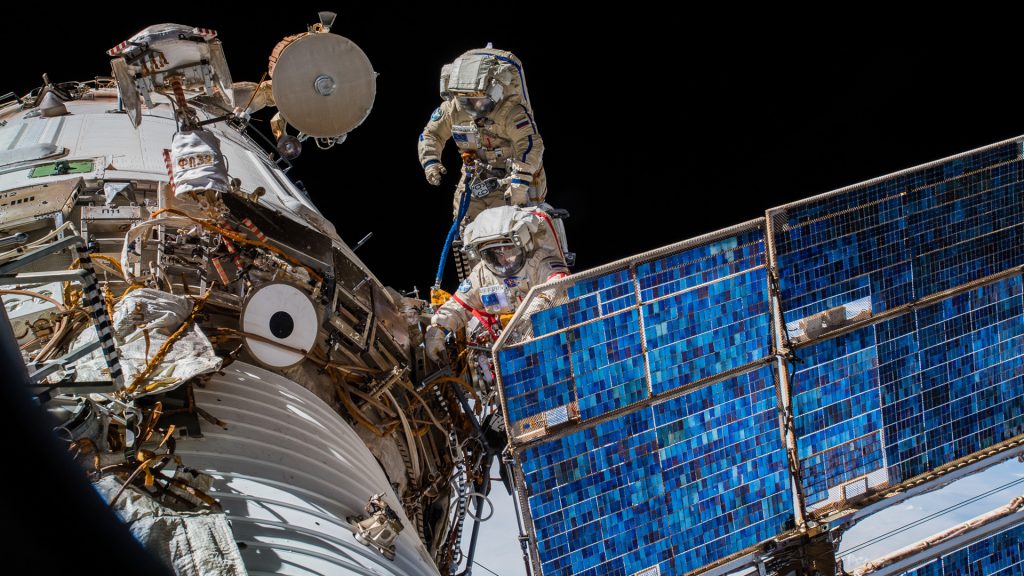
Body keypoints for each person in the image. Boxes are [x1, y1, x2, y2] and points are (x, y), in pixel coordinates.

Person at [418, 48, 546, 223]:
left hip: (513, 178)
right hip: (476, 177)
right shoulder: (452, 110)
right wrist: (430, 162)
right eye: (467, 101)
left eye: (480, 99)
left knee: (514, 229)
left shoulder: (511, 111)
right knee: (466, 228)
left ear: (494, 92)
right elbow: (431, 134)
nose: (474, 106)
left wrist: (520, 181)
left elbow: (530, 144)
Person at [425, 206, 567, 364]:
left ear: (523, 245)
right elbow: (458, 305)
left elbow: (559, 284)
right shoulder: (483, 275)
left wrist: (533, 312)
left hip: (550, 336)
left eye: (509, 249)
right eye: (495, 253)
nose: (504, 258)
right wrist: (436, 330)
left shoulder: (538, 262)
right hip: (510, 350)